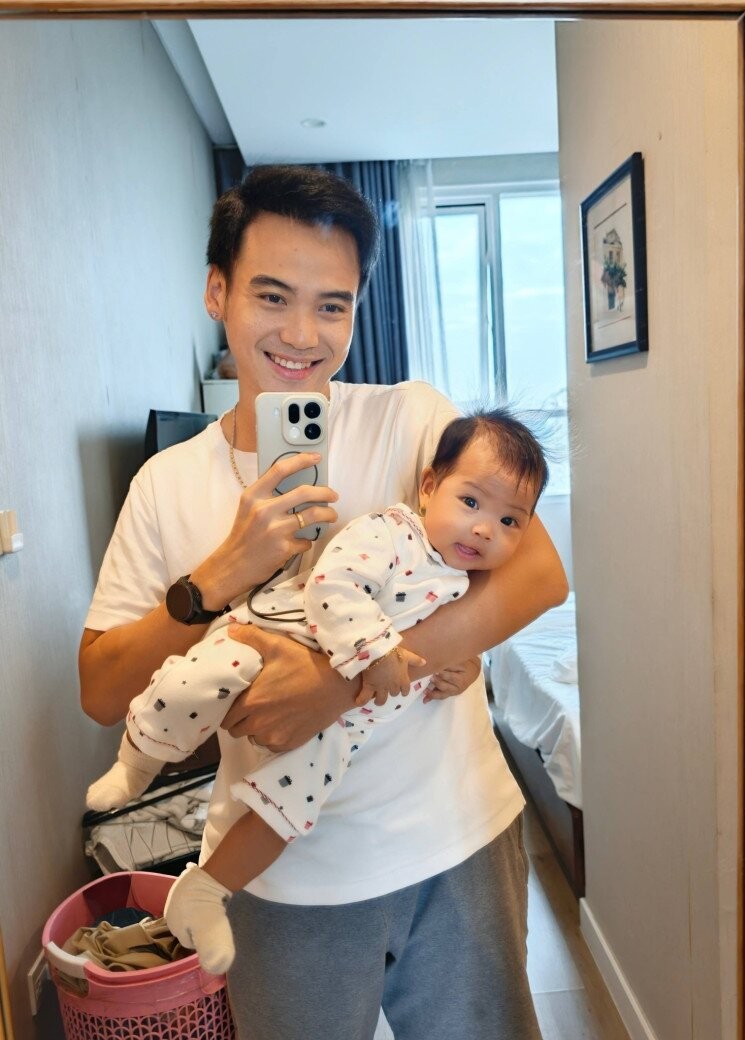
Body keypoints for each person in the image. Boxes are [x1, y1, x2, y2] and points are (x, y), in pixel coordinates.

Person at [80, 164, 568, 1040]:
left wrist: (339, 683)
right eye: (272, 296)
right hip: (278, 879)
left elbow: (539, 575)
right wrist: (217, 577)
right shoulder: (165, 483)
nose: (303, 334)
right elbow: (101, 690)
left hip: (456, 843)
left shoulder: (411, 419)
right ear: (217, 291)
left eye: (332, 305)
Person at [85, 410, 549, 976]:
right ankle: (137, 762)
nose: (484, 529)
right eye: (471, 503)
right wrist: (375, 654)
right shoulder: (392, 532)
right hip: (276, 637)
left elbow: (472, 629)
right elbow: (333, 584)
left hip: (346, 731)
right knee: (196, 678)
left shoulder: (464, 578)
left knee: (287, 809)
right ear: (429, 487)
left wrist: (465, 667)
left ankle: (203, 891)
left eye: (509, 521)